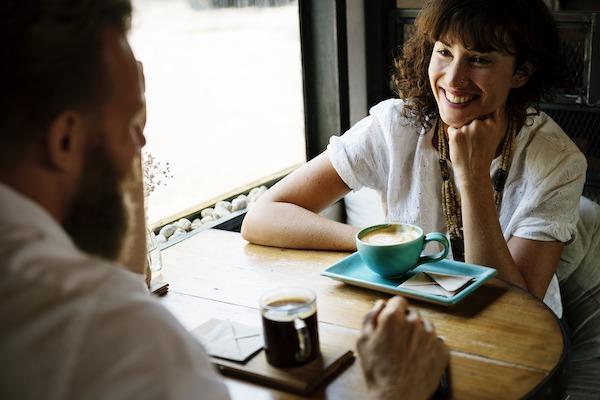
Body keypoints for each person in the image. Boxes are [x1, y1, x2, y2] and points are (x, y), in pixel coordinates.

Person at [0, 1, 448, 399]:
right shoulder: (116, 334)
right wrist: (394, 391)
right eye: (132, 124)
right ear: (64, 140)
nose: (142, 143)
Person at [242, 0, 587, 319]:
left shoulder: (558, 161)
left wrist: (473, 177)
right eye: (445, 52)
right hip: (415, 317)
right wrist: (384, 244)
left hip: (522, 338)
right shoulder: (397, 126)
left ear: (520, 73)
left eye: (479, 59)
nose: (453, 79)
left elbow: (514, 309)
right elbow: (262, 217)